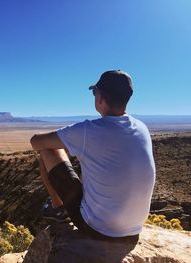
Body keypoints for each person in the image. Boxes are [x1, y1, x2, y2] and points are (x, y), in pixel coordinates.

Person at [30, 70, 156, 239]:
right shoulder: (142, 127)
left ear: (100, 98)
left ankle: (57, 208)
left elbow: (36, 142)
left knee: (48, 149)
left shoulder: (89, 130)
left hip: (98, 229)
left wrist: (67, 144)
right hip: (134, 229)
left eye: (95, 92)